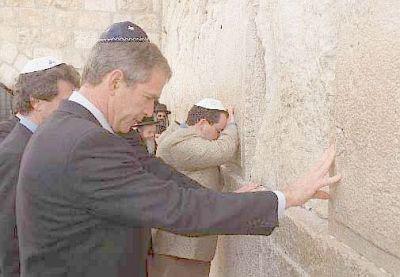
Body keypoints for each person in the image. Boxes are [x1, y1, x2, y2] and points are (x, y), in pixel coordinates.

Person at [16, 22, 340, 277]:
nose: (148, 112)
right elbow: (178, 207)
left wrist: (231, 200)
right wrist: (287, 197)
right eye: (147, 97)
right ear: (115, 82)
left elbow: (151, 170)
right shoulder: (84, 141)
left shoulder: (82, 129)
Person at [0, 57, 80, 277]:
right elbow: (8, 237)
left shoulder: (39, 142)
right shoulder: (14, 152)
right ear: (36, 102)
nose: (71, 110)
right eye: (65, 102)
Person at [150, 98, 241, 276]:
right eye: (219, 130)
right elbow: (223, 150)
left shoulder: (182, 135)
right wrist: (232, 125)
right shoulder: (180, 144)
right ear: (202, 123)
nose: (219, 135)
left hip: (185, 246)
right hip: (180, 248)